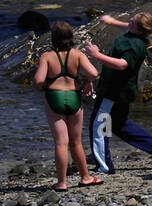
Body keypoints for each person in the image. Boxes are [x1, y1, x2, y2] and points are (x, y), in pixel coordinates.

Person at [84, 13, 152, 174]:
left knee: (99, 125)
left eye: (133, 22)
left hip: (114, 92)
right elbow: (127, 27)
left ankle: (104, 165)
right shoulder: (136, 33)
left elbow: (122, 64)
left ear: (139, 29)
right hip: (120, 91)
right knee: (118, 124)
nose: (129, 22)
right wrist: (112, 21)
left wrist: (97, 55)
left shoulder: (135, 45)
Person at [33, 21, 101, 191]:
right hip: (74, 98)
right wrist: (87, 82)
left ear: (53, 38)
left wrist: (43, 88)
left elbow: (39, 80)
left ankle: (61, 183)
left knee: (61, 143)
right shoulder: (77, 55)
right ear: (71, 37)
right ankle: (85, 177)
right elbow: (93, 73)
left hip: (54, 97)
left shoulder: (47, 56)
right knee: (76, 142)